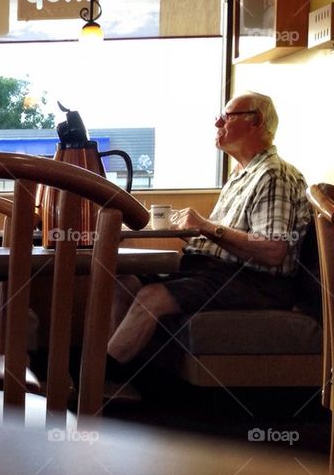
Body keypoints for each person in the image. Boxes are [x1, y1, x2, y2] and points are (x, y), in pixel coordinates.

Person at [108, 91, 311, 368]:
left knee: (151, 296)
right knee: (125, 280)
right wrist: (190, 231)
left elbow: (273, 250)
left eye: (226, 116)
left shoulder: (273, 174)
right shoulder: (240, 175)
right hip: (219, 272)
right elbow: (225, 238)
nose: (217, 123)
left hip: (258, 284)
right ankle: (119, 377)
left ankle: (103, 380)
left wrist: (204, 226)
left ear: (256, 121)